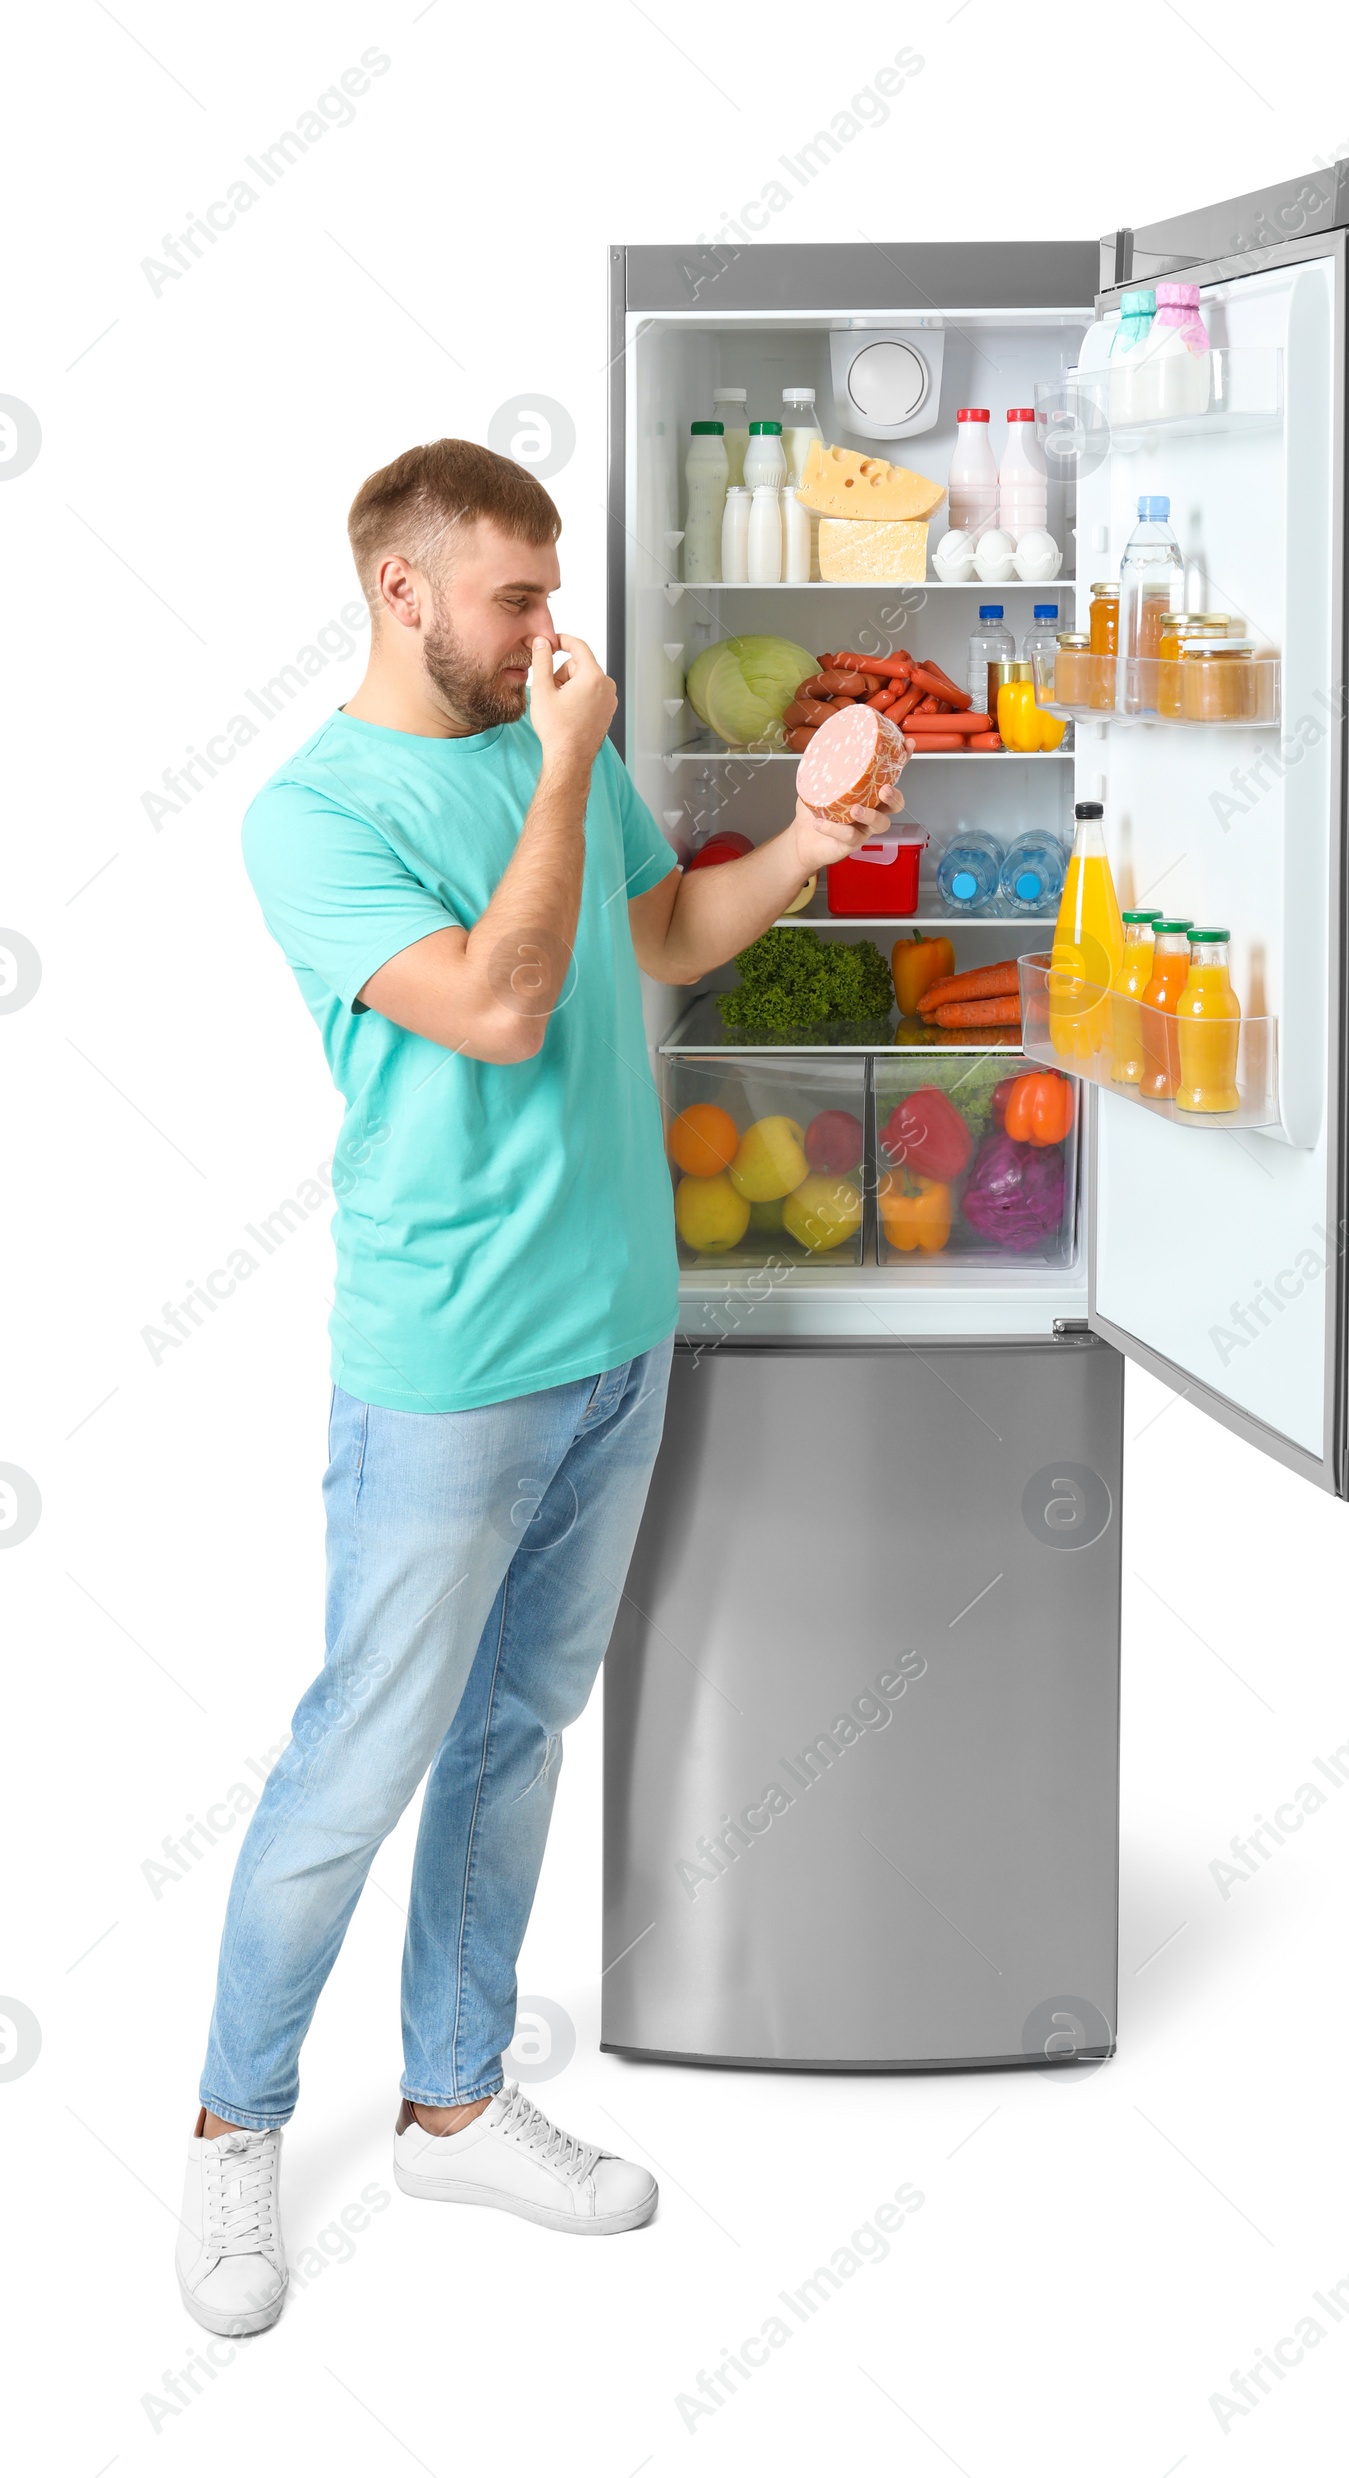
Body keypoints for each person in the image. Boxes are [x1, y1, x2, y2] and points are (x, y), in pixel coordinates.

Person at [174, 437, 900, 2335]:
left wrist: (811, 846)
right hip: (447, 1368)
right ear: (403, 593)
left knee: (518, 1737)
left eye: (548, 590)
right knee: (357, 1762)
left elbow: (652, 936)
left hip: (614, 1339)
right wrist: (566, 766)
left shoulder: (538, 738)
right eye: (515, 598)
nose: (546, 630)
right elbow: (501, 1005)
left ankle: (452, 2098)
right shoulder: (310, 816)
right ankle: (233, 2126)